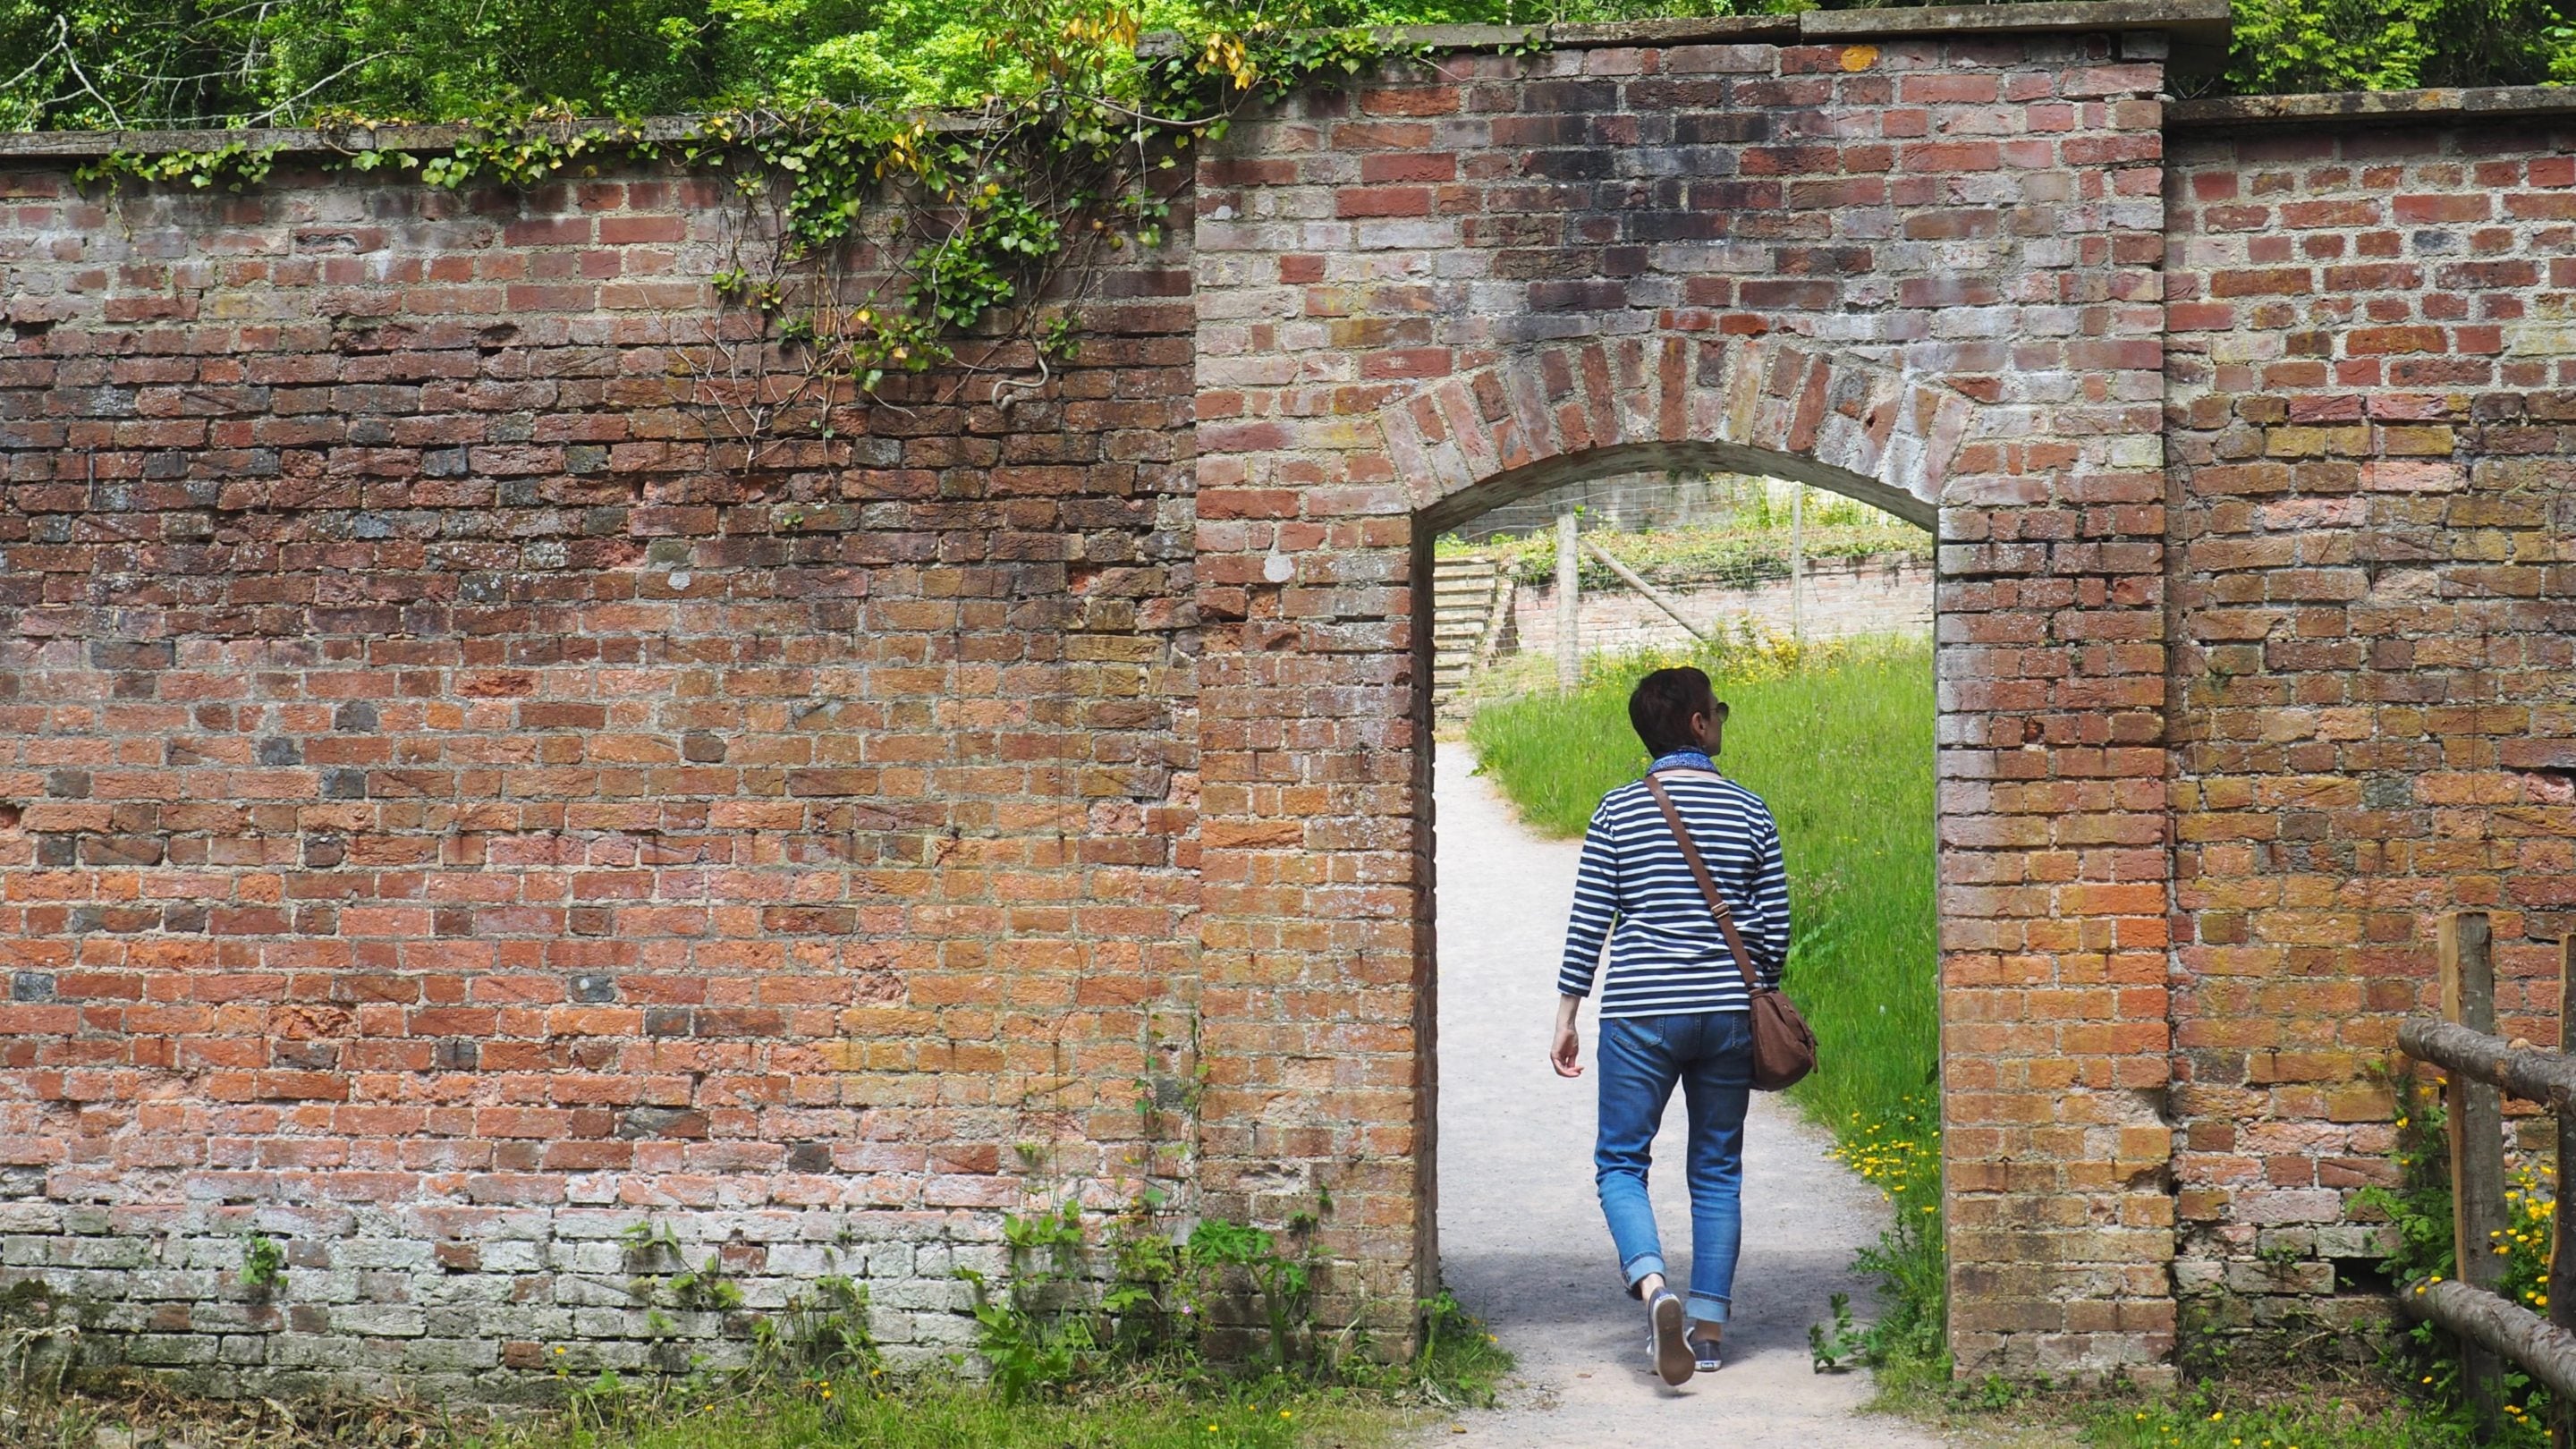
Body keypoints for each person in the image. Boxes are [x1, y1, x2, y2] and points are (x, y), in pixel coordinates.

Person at [1549, 665, 1790, 1386]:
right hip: (1725, 1009)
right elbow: (1773, 928)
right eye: (1717, 708)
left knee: (1621, 1162)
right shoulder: (1750, 809)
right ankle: (1709, 1328)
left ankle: (1655, 1289)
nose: (1722, 716)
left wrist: (1567, 1013)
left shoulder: (1616, 810)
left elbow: (1591, 918)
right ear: (1695, 724)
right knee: (1716, 1168)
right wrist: (1758, 995)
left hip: (1641, 1011)